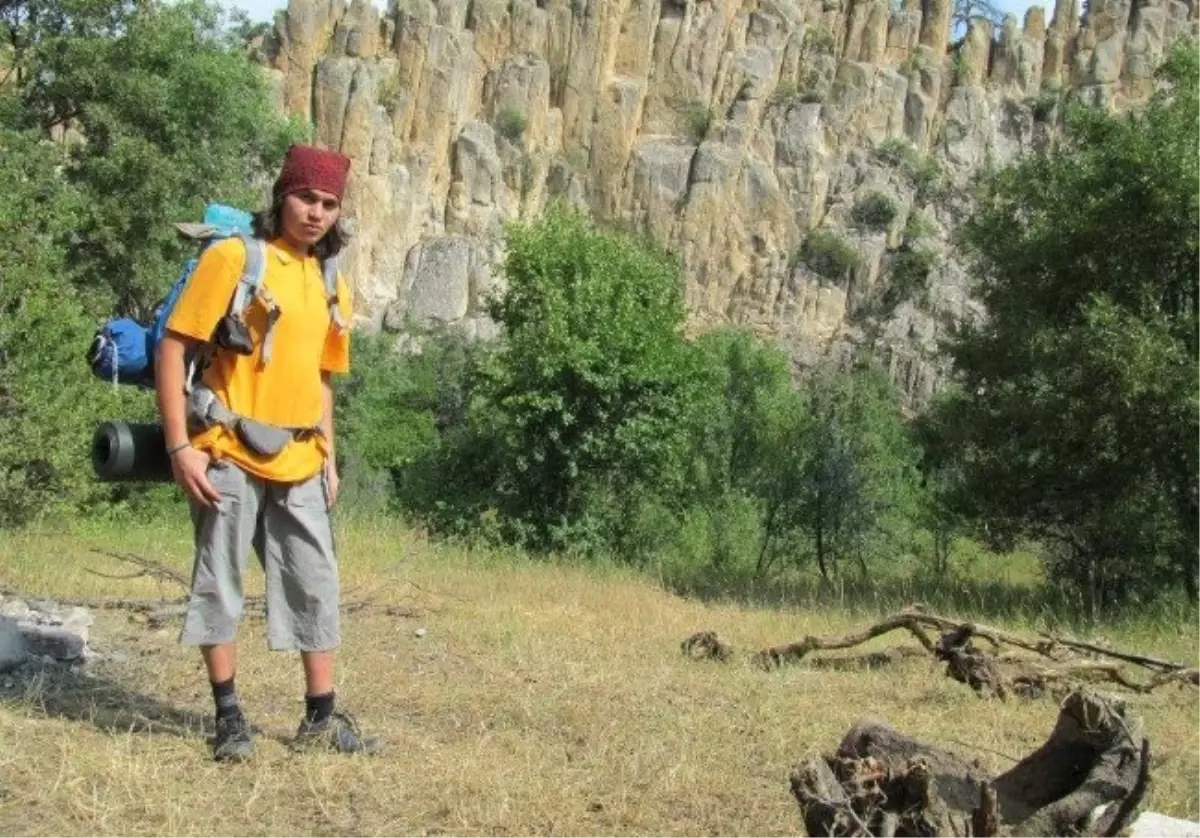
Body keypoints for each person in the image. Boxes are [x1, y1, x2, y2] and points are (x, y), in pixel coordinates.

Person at [154, 144, 378, 761]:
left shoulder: (331, 277)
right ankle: (229, 718)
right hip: (227, 447)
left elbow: (323, 376)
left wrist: (329, 454)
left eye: (329, 204)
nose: (317, 213)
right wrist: (181, 447)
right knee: (221, 583)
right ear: (282, 195)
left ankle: (320, 718)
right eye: (307, 198)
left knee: (316, 583)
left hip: (301, 455)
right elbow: (173, 349)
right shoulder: (235, 258)